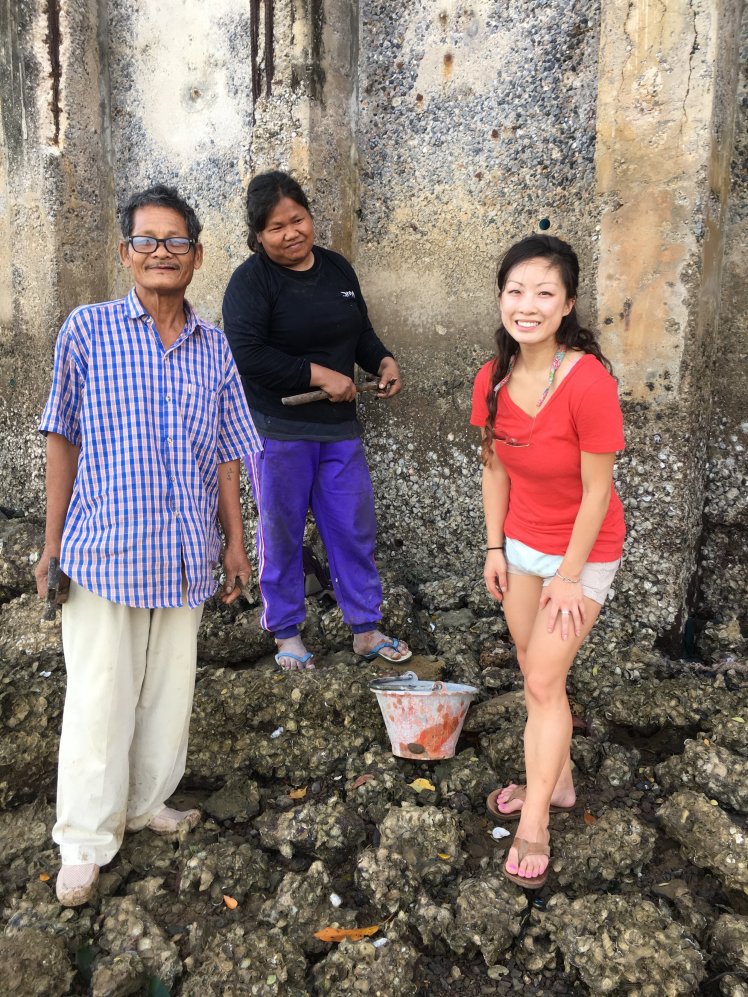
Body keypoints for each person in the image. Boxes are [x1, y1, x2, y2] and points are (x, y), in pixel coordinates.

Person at [35, 184, 260, 907]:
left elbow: (227, 451)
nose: (162, 252)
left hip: (185, 550)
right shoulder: (88, 330)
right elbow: (61, 436)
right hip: (105, 547)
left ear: (197, 255)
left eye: (176, 241)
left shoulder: (213, 346)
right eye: (147, 240)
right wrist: (50, 545)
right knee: (99, 696)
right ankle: (83, 840)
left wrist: (234, 541)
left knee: (168, 691)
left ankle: (144, 802)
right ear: (126, 252)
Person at [470, 235, 625, 889]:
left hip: (583, 551)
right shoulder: (493, 377)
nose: (526, 305)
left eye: (543, 292)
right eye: (515, 291)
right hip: (521, 547)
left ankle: (535, 820)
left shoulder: (589, 382)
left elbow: (597, 492)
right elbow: (494, 468)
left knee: (538, 680)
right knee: (537, 669)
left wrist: (568, 576)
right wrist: (494, 547)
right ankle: (557, 782)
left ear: (567, 305)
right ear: (501, 298)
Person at [222, 170, 411, 671]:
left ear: (310, 216)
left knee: (352, 528)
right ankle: (286, 632)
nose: (291, 233)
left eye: (298, 220)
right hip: (277, 433)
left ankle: (365, 629)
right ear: (258, 235)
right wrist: (318, 374)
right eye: (276, 228)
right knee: (281, 533)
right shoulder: (251, 282)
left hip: (339, 431)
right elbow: (247, 355)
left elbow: (360, 331)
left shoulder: (337, 269)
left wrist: (382, 360)